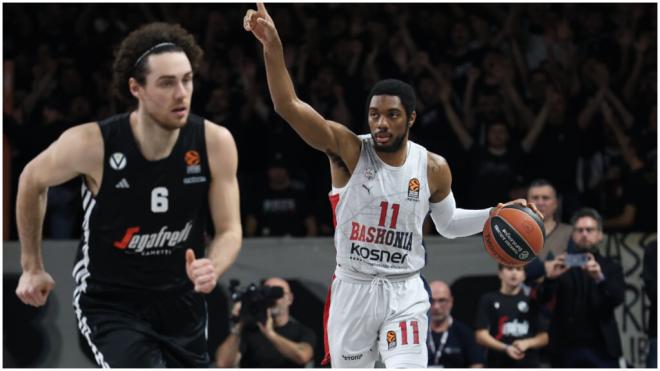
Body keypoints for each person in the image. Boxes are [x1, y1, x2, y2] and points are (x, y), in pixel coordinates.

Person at [243, 4, 542, 368]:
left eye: (392, 115)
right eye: (374, 114)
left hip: (405, 289)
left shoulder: (433, 167)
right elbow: (287, 105)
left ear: (411, 118)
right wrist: (272, 48)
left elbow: (447, 225)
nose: (381, 123)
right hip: (354, 288)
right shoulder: (349, 151)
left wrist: (496, 214)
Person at [14, 22, 243, 367]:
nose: (182, 93)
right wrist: (31, 266)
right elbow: (31, 179)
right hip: (111, 304)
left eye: (187, 79)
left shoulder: (215, 142)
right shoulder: (92, 144)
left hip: (182, 303)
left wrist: (214, 265)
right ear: (135, 88)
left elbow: (229, 230)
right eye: (167, 83)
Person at [539, 208, 625, 367]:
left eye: (589, 230)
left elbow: (618, 298)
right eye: (579, 230)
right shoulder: (561, 263)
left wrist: (600, 278)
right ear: (572, 235)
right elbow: (541, 299)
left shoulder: (610, 266)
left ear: (600, 235)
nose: (584, 234)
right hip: (565, 348)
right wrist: (550, 279)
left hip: (602, 348)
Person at [216, 277, 316, 368]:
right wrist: (239, 324)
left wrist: (270, 334)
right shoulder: (250, 331)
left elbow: (302, 356)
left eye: (277, 293)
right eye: (266, 293)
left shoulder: (301, 332)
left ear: (289, 298)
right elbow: (223, 364)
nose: (272, 299)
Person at [475, 265, 549, 368]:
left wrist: (527, 343)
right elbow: (480, 336)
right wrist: (506, 348)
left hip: (528, 363)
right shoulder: (488, 299)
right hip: (498, 363)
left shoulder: (532, 301)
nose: (514, 273)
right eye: (509, 269)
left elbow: (544, 337)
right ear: (500, 273)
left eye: (519, 269)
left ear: (524, 275)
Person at [245, 153, 318, 237]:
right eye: (274, 168)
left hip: (295, 244)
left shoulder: (299, 195)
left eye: (281, 168)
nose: (278, 172)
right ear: (268, 171)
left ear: (287, 170)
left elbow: (311, 224)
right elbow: (251, 224)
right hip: (265, 244)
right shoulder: (259, 195)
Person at [524, 179, 572, 284]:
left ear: (555, 203)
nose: (540, 203)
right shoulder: (515, 233)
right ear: (527, 203)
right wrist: (546, 267)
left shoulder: (570, 233)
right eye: (535, 198)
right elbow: (509, 270)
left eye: (545, 198)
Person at [427, 280, 485, 368]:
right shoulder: (415, 333)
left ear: (451, 302)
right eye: (431, 300)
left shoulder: (466, 333)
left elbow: (477, 364)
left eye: (442, 300)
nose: (436, 307)